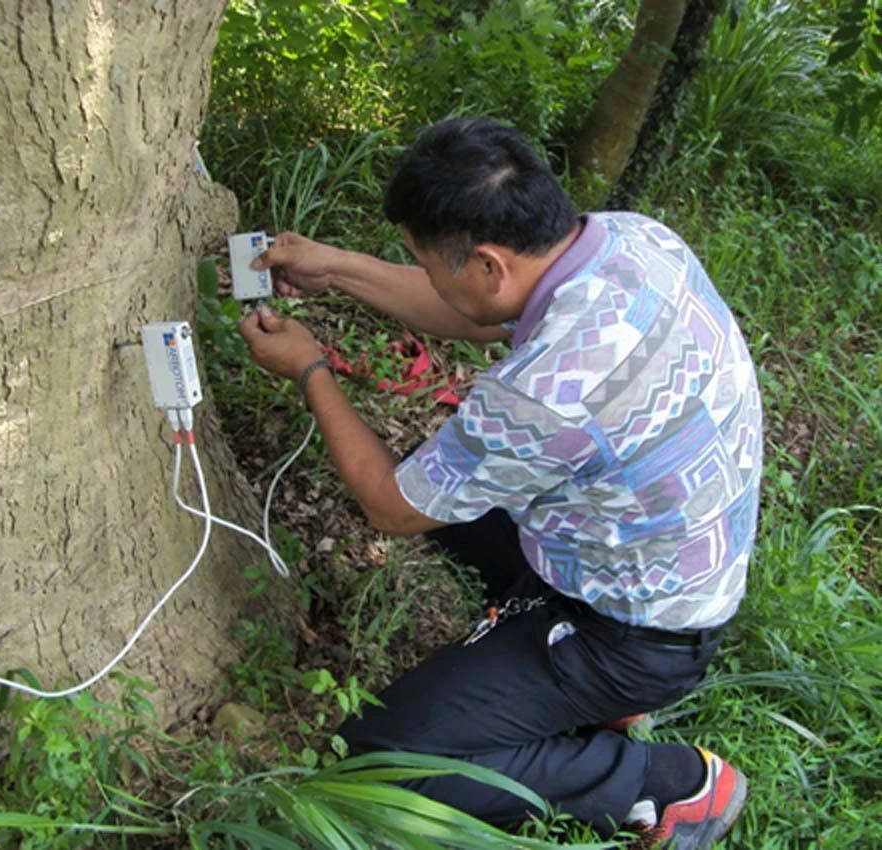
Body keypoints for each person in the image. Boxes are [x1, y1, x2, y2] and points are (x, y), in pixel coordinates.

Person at [236, 117, 761, 849]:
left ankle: (664, 783)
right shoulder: (629, 240)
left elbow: (389, 507)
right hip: (665, 550)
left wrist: (311, 370)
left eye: (429, 264)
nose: (429, 279)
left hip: (634, 633)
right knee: (447, 481)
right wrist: (337, 268)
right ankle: (572, 690)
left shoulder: (540, 397)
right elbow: (480, 316)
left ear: (487, 263)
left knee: (381, 757)